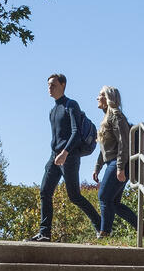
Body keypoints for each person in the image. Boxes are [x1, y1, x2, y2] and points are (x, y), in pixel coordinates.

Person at [29, 74, 102, 241]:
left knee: (74, 196)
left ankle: (100, 225)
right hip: (54, 156)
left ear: (63, 85)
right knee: (45, 191)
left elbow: (76, 133)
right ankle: (45, 233)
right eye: (48, 85)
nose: (50, 88)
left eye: (53, 85)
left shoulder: (71, 105)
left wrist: (65, 152)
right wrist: (56, 153)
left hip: (69, 156)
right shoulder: (52, 111)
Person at [92, 85, 138, 237]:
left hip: (119, 163)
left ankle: (104, 232)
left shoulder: (116, 116)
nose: (97, 98)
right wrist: (97, 167)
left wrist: (120, 167)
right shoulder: (106, 118)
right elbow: (104, 147)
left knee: (104, 196)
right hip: (111, 163)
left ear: (108, 98)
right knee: (114, 203)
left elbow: (124, 143)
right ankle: (142, 227)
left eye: (100, 95)